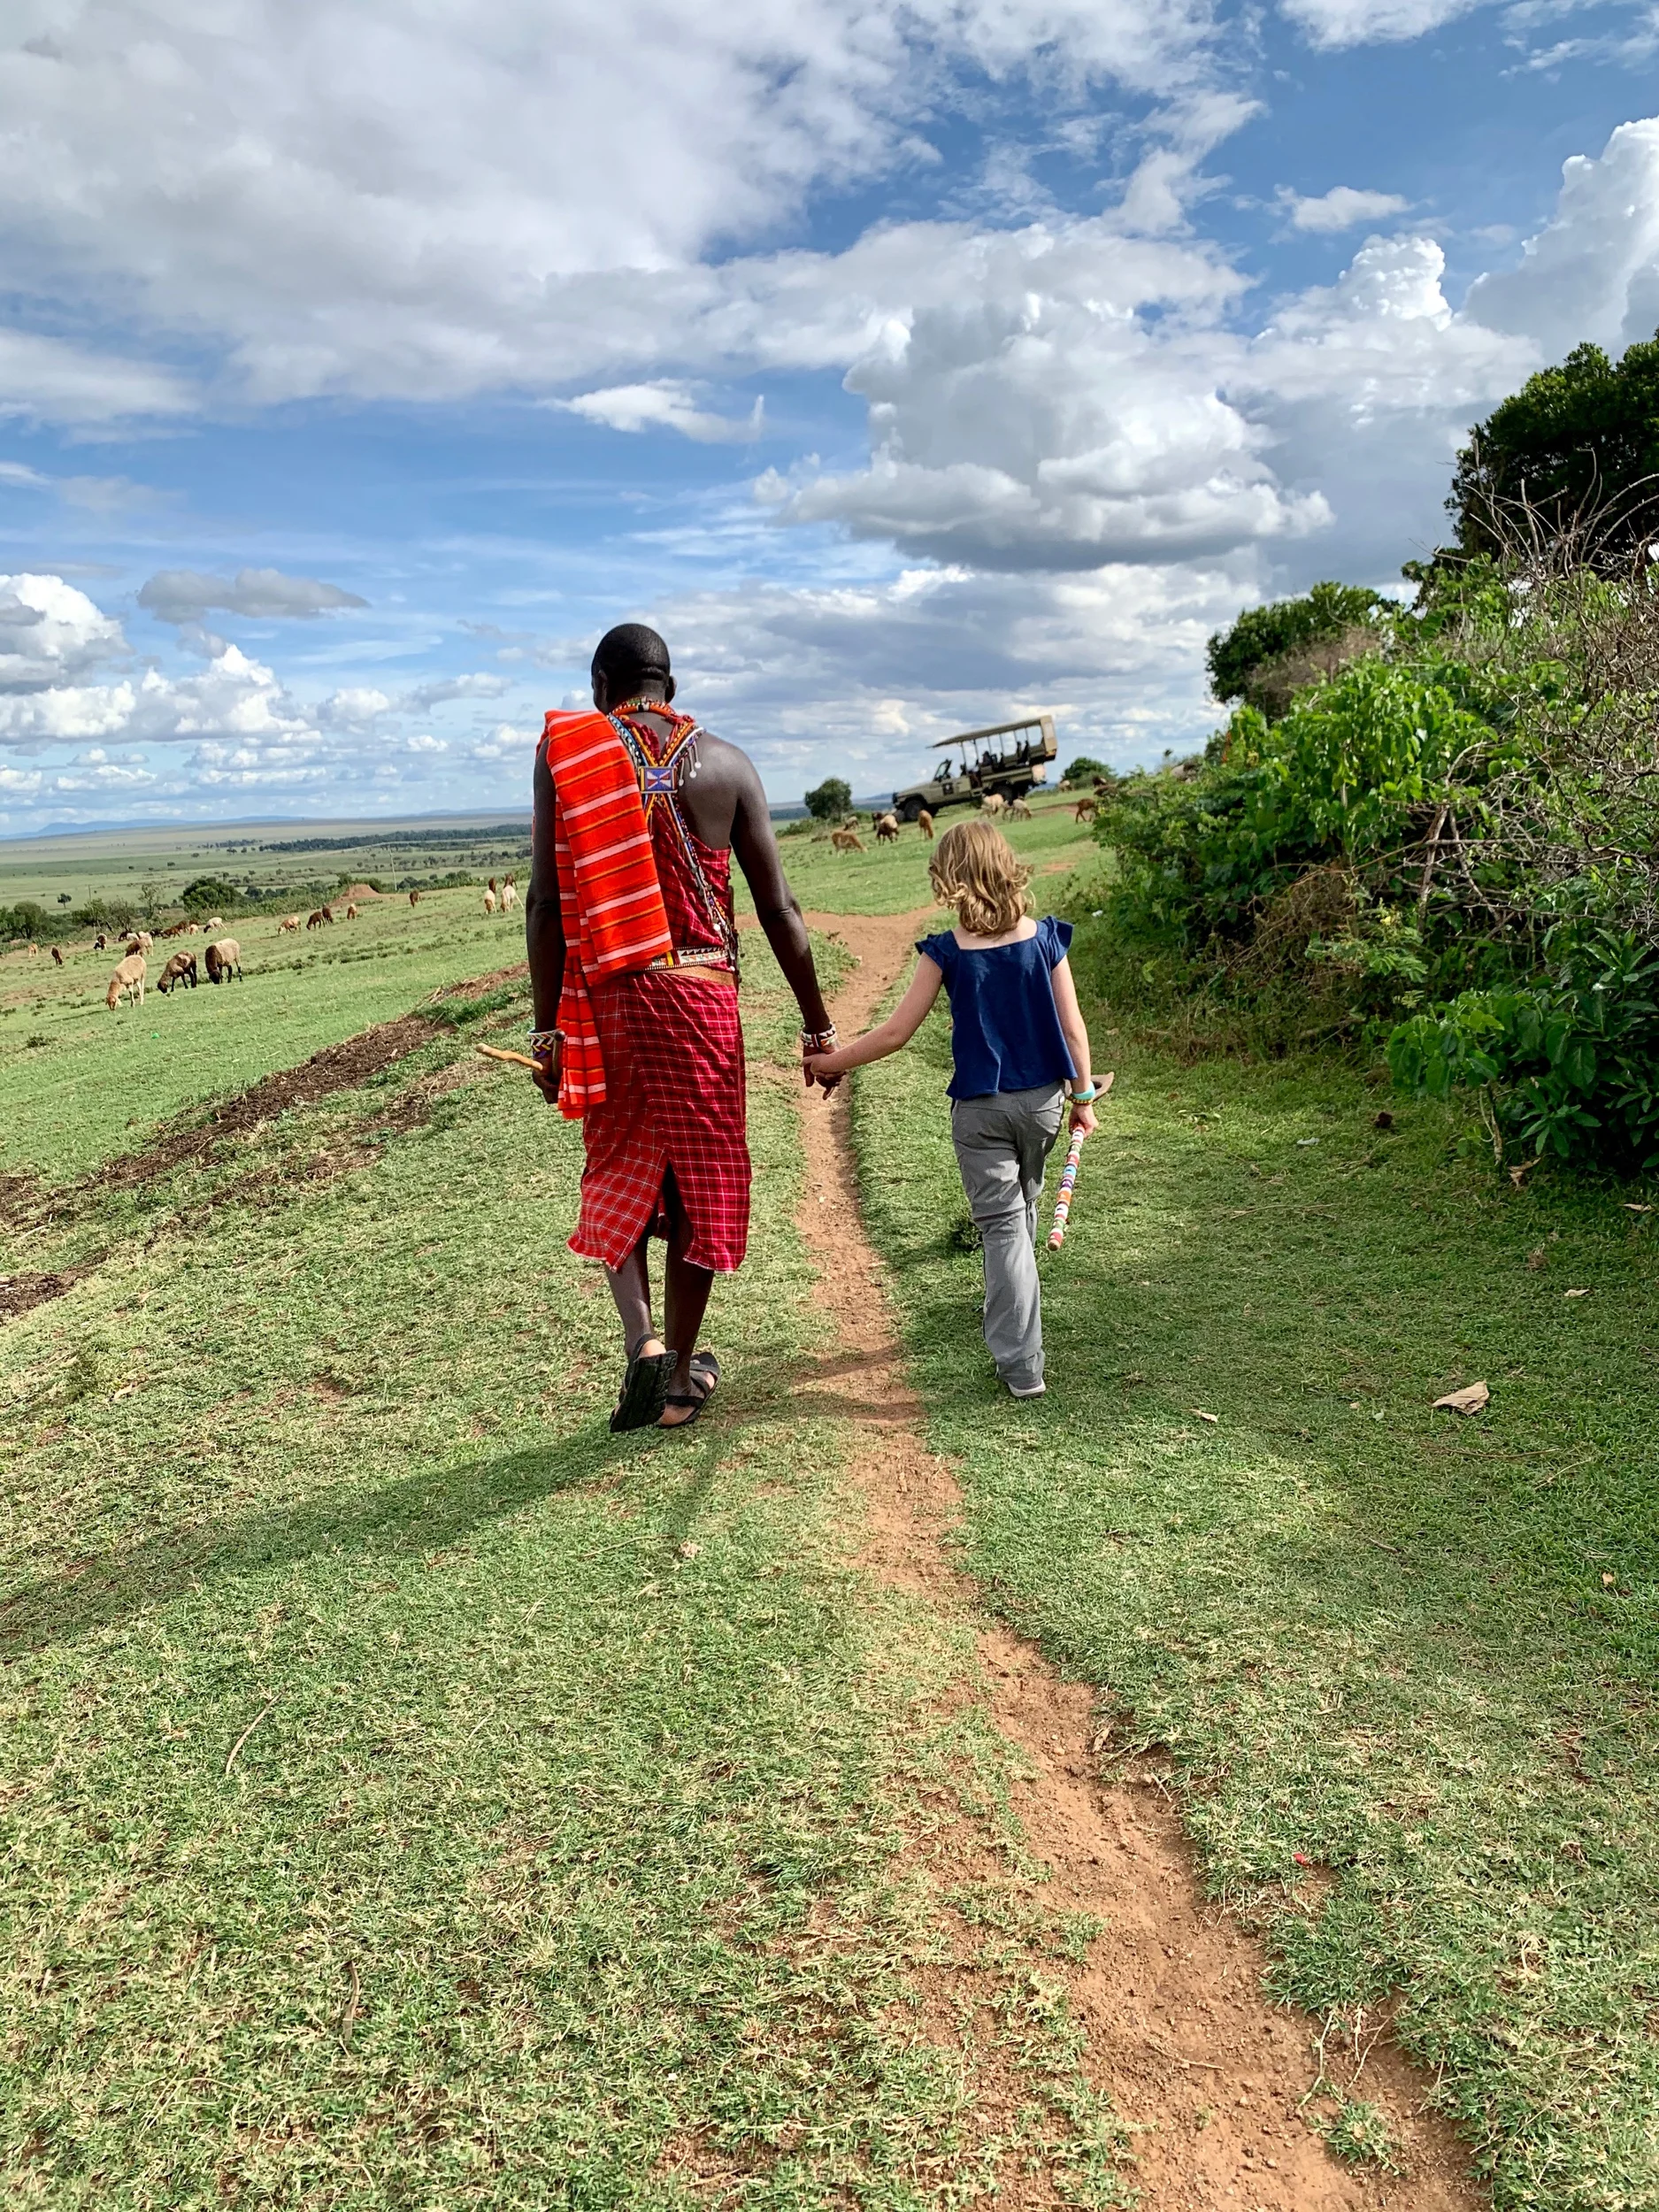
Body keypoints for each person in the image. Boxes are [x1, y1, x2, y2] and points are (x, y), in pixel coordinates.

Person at [525, 622, 841, 1432]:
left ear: (602, 685)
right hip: (703, 998)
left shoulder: (568, 753)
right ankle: (676, 1386)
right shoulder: (728, 764)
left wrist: (547, 1035)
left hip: (614, 998)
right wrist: (817, 1030)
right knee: (700, 1179)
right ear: (669, 681)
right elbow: (778, 909)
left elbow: (543, 904)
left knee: (621, 1164)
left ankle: (642, 1341)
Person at [805, 817, 1099, 1398]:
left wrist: (830, 1062)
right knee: (1020, 1216)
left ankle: (1021, 1366)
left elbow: (895, 1033)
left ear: (950, 880)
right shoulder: (1044, 939)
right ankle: (1011, 1315)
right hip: (1043, 1104)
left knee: (1003, 1228)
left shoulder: (946, 951)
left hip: (980, 1111)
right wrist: (1083, 1098)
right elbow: (1072, 1029)